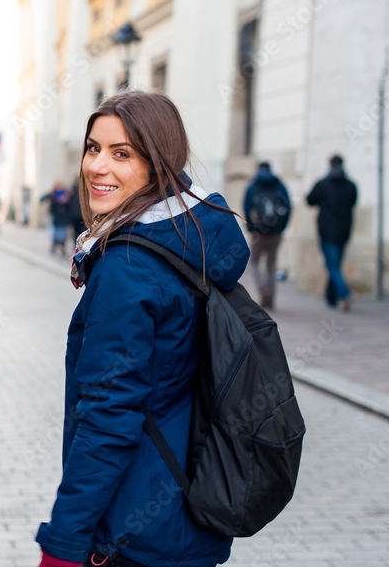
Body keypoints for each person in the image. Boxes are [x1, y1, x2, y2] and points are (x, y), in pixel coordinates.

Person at [36, 91, 249, 567]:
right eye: (93, 148)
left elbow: (108, 416)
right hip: (187, 519)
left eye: (122, 153)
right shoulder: (191, 238)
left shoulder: (127, 267)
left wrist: (64, 545)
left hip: (135, 532)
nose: (96, 166)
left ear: (158, 164)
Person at [306, 154, 358, 311]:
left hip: (328, 231)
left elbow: (310, 200)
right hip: (344, 231)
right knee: (335, 265)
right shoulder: (350, 185)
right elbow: (353, 201)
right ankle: (330, 298)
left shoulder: (323, 184)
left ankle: (345, 294)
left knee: (332, 266)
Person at [242, 161, 292, 308]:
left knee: (255, 263)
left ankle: (263, 288)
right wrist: (282, 227)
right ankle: (270, 300)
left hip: (258, 232)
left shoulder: (252, 185)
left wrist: (250, 228)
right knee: (271, 265)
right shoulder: (279, 185)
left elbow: (246, 207)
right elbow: (288, 206)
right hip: (275, 232)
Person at [40, 181, 72, 256]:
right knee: (55, 233)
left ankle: (62, 247)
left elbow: (70, 205)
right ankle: (54, 246)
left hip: (63, 217)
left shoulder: (66, 194)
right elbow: (42, 199)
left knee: (63, 233)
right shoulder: (52, 194)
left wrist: (65, 201)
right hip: (55, 216)